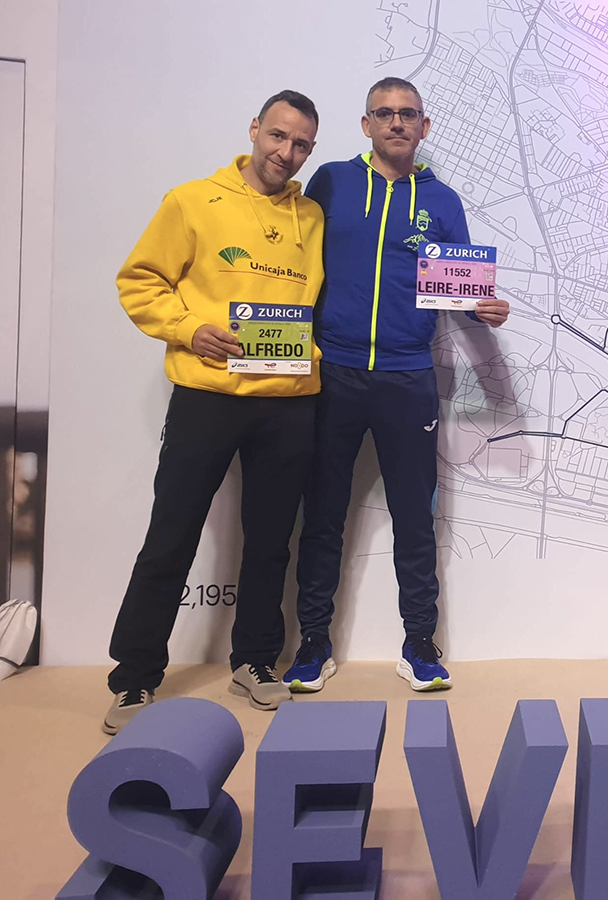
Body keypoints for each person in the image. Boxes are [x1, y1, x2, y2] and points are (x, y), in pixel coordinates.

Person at [103, 90, 324, 734]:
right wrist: (188, 329)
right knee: (171, 535)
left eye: (301, 144)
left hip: (288, 402)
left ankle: (254, 660)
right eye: (278, 136)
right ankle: (135, 676)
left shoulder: (312, 217)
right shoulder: (191, 201)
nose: (286, 152)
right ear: (255, 129)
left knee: (270, 543)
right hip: (207, 396)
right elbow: (139, 279)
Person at [283, 77, 510, 694]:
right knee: (323, 514)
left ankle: (419, 644)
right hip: (333, 373)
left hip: (409, 377)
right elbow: (294, 258)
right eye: (384, 113)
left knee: (415, 517)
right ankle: (312, 643)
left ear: (423, 126)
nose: (396, 122)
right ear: (366, 125)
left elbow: (459, 289)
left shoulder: (442, 201)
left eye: (407, 114)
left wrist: (482, 307)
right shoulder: (331, 181)